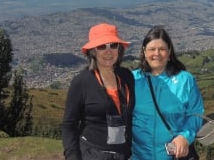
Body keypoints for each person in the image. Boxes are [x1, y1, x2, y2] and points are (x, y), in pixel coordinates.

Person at [61, 23, 135, 160]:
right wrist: (72, 156)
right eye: (102, 46)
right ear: (93, 51)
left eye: (113, 45)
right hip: (93, 153)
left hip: (124, 153)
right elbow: (68, 125)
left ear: (119, 49)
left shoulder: (126, 76)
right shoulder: (81, 82)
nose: (109, 51)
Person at [131, 26, 204, 160]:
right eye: (152, 49)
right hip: (138, 155)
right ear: (144, 51)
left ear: (169, 52)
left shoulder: (185, 80)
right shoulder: (132, 80)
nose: (157, 53)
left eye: (162, 49)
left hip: (174, 155)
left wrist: (185, 136)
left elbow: (196, 113)